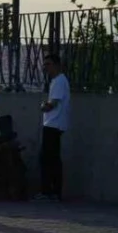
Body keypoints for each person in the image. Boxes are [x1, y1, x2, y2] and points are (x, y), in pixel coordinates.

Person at [36, 53, 70, 202]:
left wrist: (43, 106)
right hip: (53, 123)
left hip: (53, 124)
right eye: (45, 65)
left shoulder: (59, 81)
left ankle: (49, 191)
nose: (46, 68)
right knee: (51, 158)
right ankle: (52, 191)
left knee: (48, 158)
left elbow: (53, 104)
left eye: (48, 64)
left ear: (57, 65)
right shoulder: (57, 81)